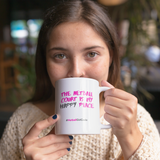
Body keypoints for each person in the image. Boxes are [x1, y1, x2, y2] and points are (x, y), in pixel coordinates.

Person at [0, 0, 160, 159]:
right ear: (45, 61)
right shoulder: (22, 120)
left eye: (91, 54)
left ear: (110, 57)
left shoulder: (137, 119)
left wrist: (130, 139)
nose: (76, 72)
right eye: (60, 56)